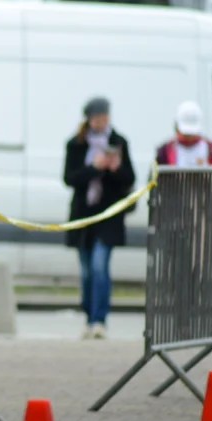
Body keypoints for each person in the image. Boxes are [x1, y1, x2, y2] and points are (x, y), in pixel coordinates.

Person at [63, 97, 136, 341]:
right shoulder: (76, 144)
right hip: (84, 216)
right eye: (96, 119)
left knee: (99, 265)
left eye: (104, 118)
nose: (100, 122)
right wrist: (94, 167)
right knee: (86, 271)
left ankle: (99, 320)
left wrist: (114, 167)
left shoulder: (119, 142)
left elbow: (129, 178)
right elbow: (70, 178)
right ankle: (88, 316)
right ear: (89, 119)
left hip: (109, 217)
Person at [155, 100, 212, 168]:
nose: (189, 137)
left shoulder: (210, 150)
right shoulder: (165, 151)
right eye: (186, 134)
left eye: (191, 134)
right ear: (177, 128)